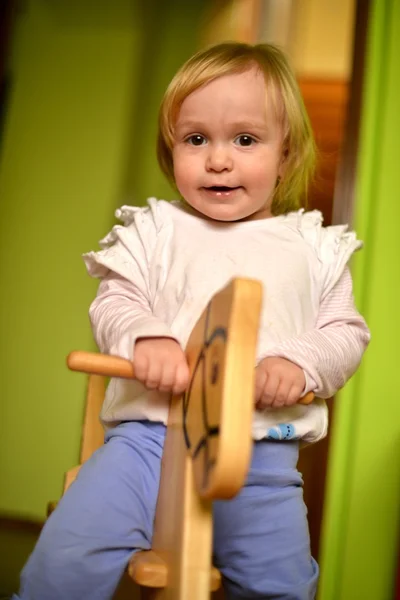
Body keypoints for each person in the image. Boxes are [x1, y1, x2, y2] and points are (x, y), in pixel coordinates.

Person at [14, 42, 370, 600]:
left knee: (281, 585)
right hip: (146, 443)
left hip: (259, 459)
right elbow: (115, 301)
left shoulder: (313, 248)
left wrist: (298, 362)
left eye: (246, 140)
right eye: (196, 139)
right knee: (67, 557)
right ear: (171, 149)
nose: (219, 159)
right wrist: (146, 336)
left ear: (287, 154)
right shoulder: (154, 231)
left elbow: (345, 334)